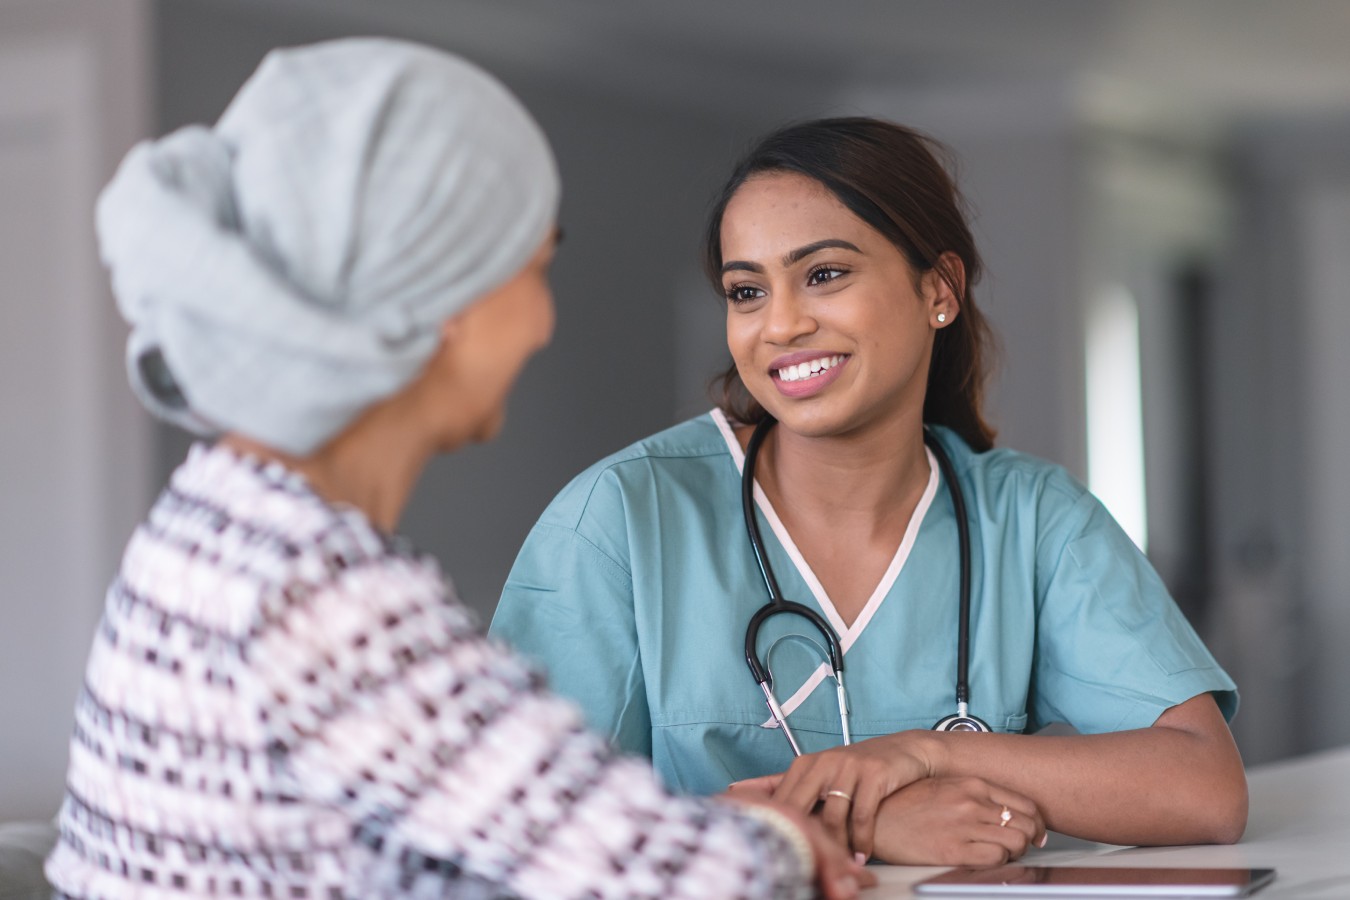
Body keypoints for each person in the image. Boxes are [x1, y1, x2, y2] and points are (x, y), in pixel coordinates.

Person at [44, 40, 874, 900]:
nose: (544, 323)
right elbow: (677, 879)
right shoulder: (320, 597)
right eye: (535, 269)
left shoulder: (204, 526)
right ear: (440, 299)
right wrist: (777, 838)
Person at [489, 117, 1247, 865]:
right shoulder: (621, 518)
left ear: (939, 289)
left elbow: (1204, 788)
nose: (780, 323)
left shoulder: (1033, 519)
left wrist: (922, 757)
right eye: (747, 291)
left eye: (824, 274)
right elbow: (510, 822)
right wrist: (850, 825)